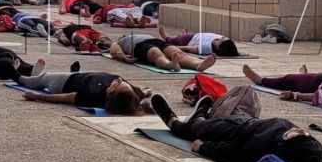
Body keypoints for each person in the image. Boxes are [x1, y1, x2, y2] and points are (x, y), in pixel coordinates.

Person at [148, 91, 322, 162]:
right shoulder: (306, 147)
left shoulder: (258, 149)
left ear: (289, 143)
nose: (300, 130)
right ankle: (202, 114)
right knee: (245, 94)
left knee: (192, 129)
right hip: (248, 121)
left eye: (300, 134)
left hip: (231, 132)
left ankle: (175, 121)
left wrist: (203, 147)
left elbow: (230, 153)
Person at [14, 68, 146, 114]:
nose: (119, 79)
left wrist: (37, 97)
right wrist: (146, 92)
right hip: (86, 75)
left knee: (42, 78)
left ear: (111, 94)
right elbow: (144, 93)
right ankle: (33, 73)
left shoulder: (93, 96)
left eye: (118, 84)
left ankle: (19, 77)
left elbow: (66, 97)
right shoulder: (133, 93)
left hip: (66, 82)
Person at [110, 31, 215, 72]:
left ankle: (197, 65)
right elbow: (114, 49)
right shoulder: (122, 41)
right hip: (139, 46)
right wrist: (122, 56)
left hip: (157, 41)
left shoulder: (141, 35)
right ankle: (170, 65)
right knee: (156, 54)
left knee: (176, 52)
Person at [161, 30, 240, 59]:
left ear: (217, 47)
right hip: (198, 35)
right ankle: (183, 34)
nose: (222, 38)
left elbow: (188, 48)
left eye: (220, 41)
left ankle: (167, 38)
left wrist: (173, 47)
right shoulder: (223, 40)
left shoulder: (206, 48)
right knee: (183, 36)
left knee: (176, 39)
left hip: (189, 40)